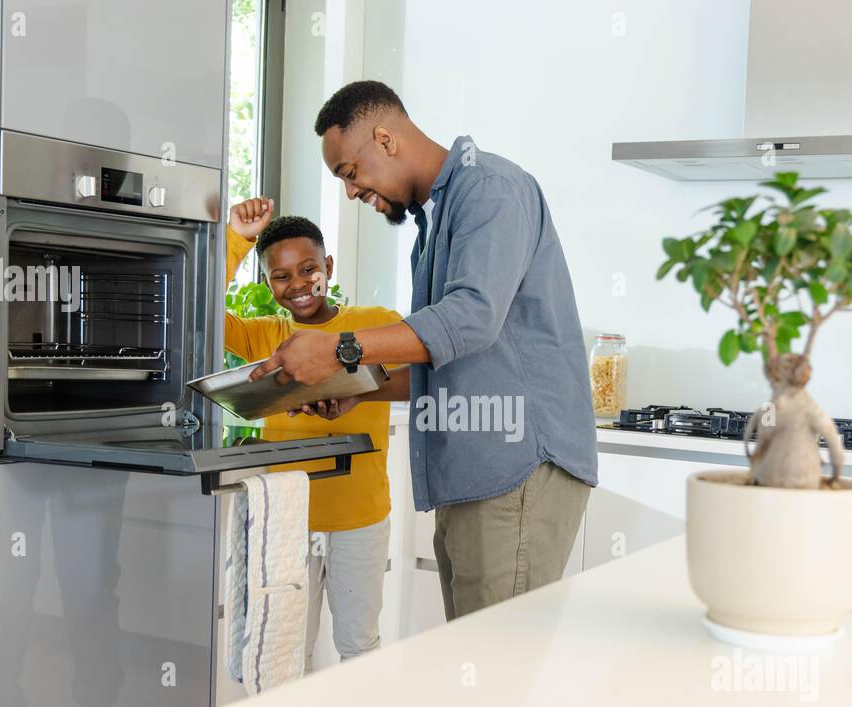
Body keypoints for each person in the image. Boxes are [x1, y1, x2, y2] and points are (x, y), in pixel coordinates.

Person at [249, 81, 598, 621]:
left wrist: (339, 350)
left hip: (516, 466)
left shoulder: (491, 190)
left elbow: (470, 319)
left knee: (497, 668)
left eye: (348, 172)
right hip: (474, 474)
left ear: (385, 139)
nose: (350, 192)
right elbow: (449, 358)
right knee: (473, 665)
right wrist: (356, 387)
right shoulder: (432, 226)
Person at [225, 199, 408, 669]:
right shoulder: (261, 336)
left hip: (360, 515)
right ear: (267, 283)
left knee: (360, 646)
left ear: (327, 266)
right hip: (286, 517)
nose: (298, 285)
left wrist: (358, 394)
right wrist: (237, 241)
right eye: (281, 276)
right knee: (285, 649)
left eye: (308, 269)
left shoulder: (372, 324)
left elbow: (420, 378)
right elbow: (198, 303)